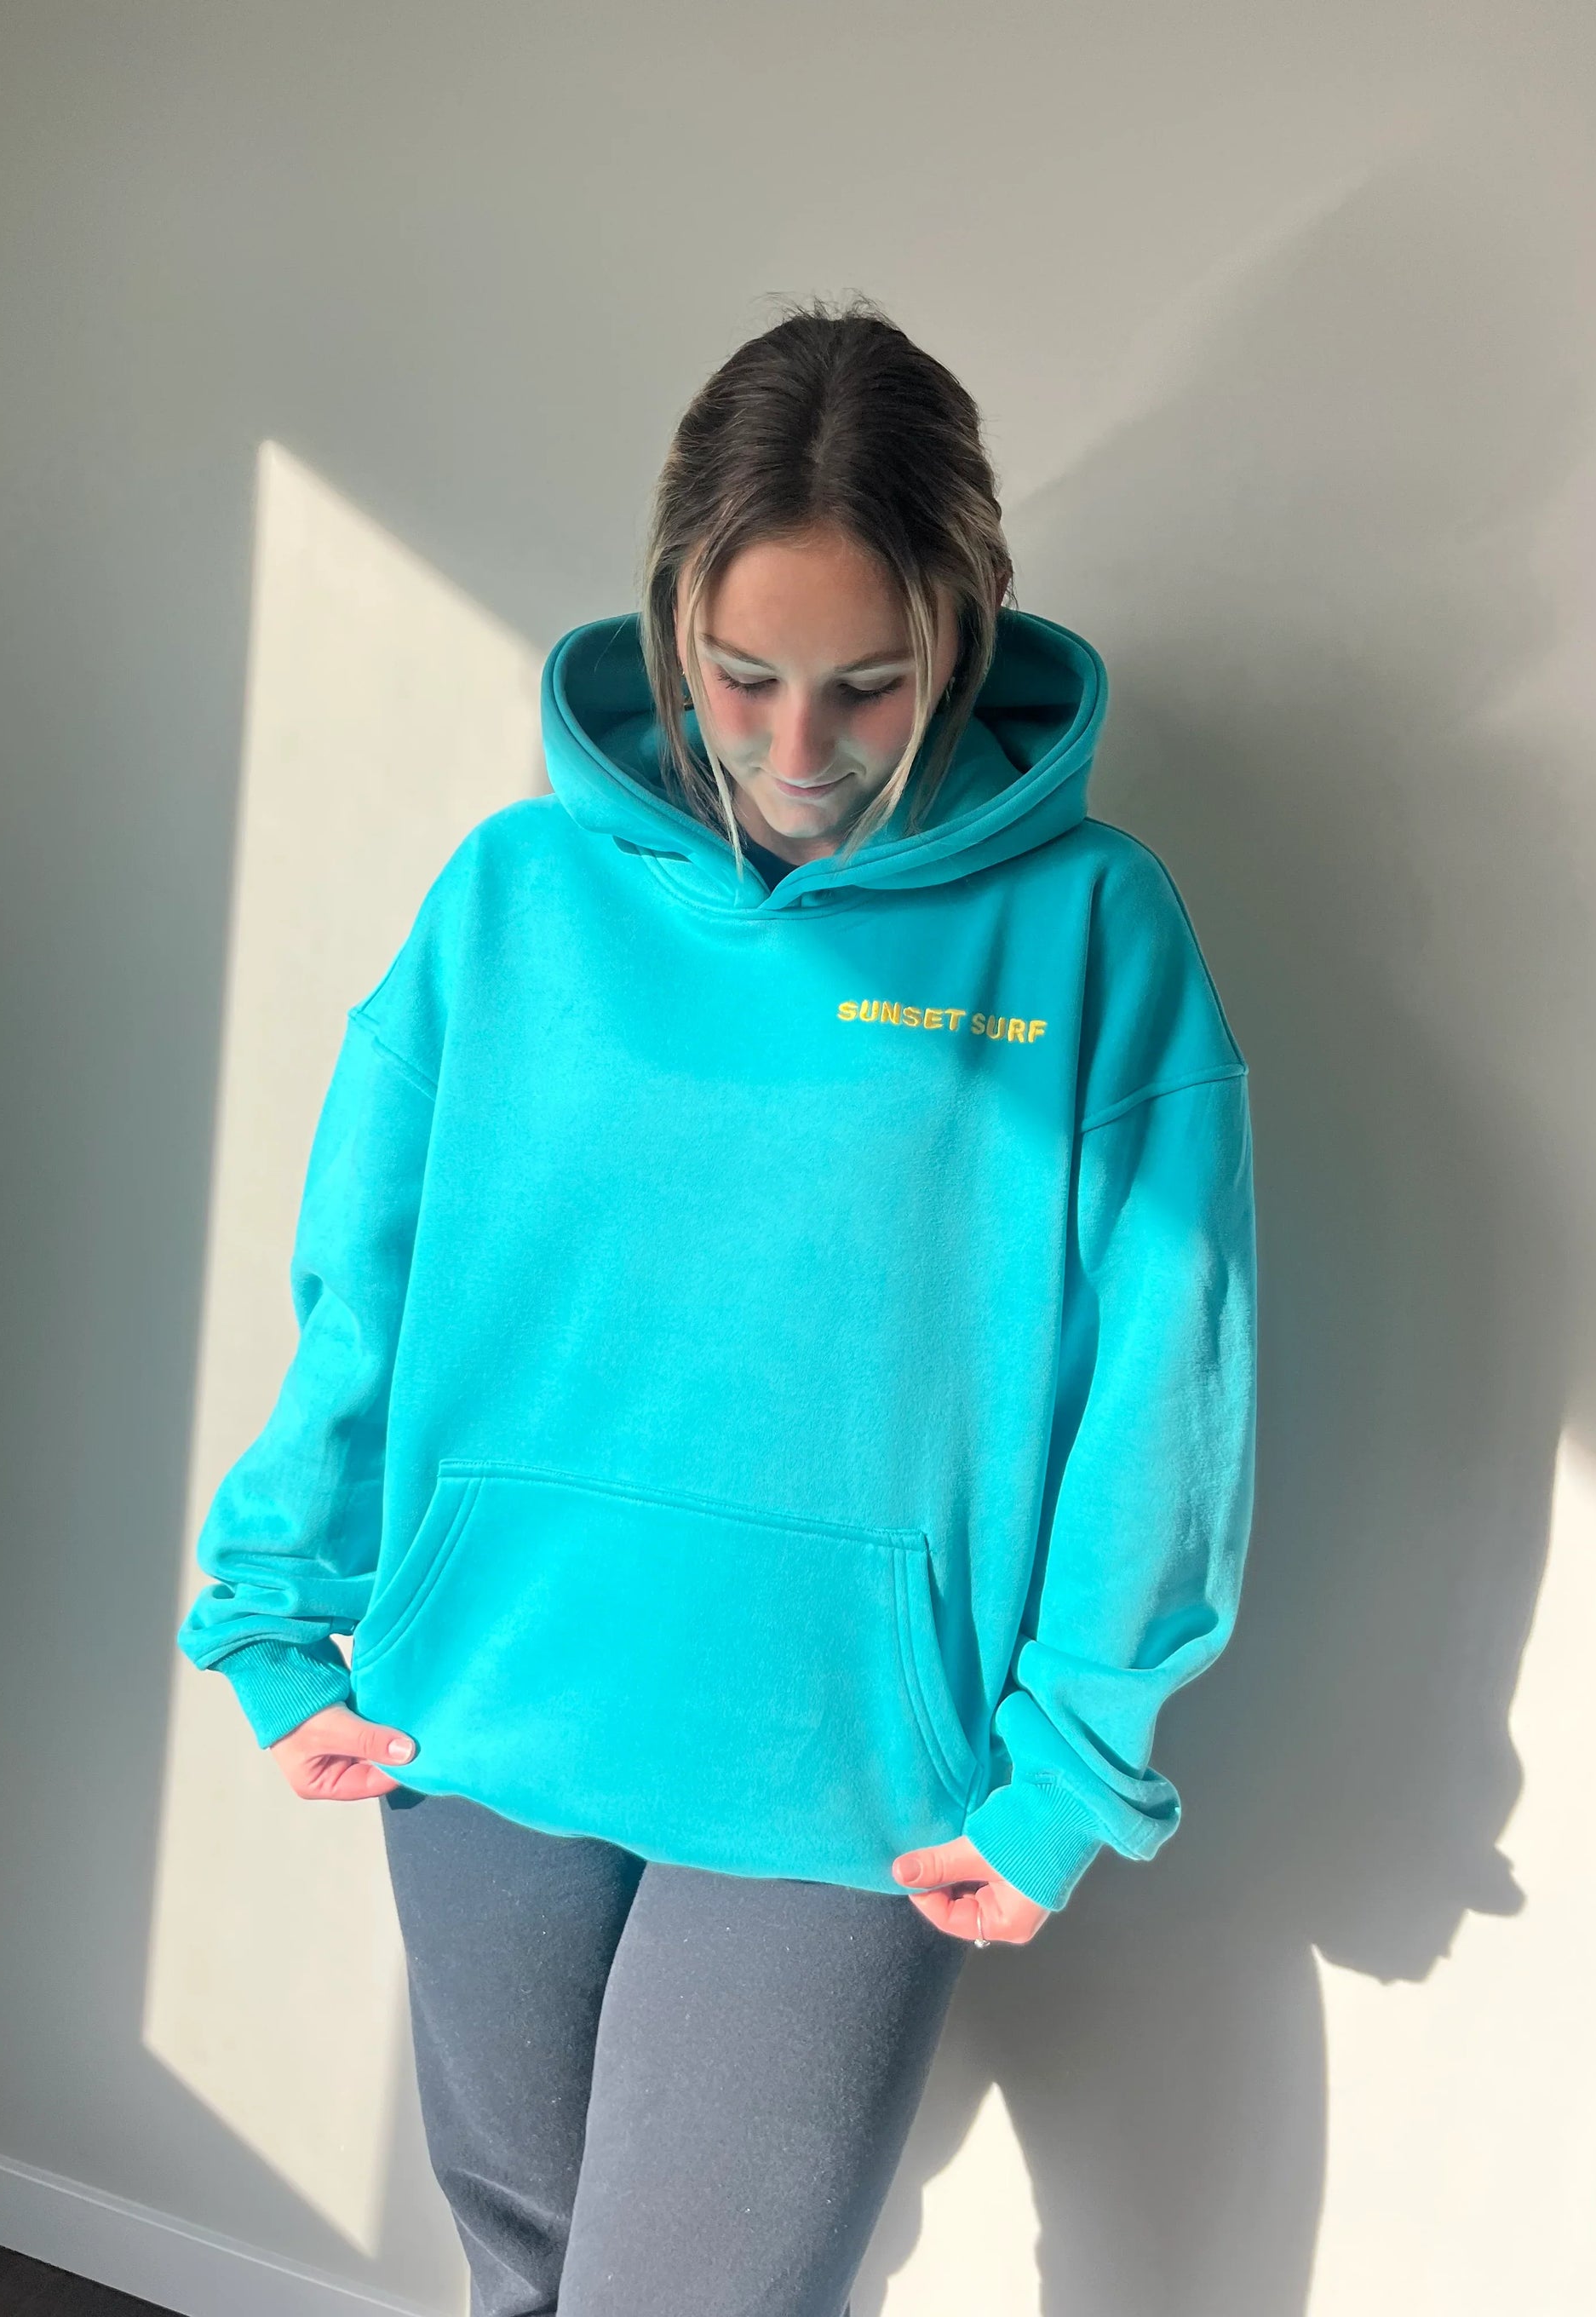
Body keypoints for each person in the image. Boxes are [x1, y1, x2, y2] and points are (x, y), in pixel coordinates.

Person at [177, 294, 1259, 2317]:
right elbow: (366, 1282)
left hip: (842, 1762)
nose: (795, 753)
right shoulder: (512, 896)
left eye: (867, 685)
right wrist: (272, 1605)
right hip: (481, 1710)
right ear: (672, 613)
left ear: (964, 630)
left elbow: (1165, 1385)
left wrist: (1072, 1768)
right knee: (523, 2276)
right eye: (744, 677)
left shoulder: (1089, 927)